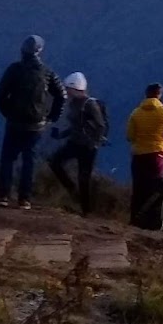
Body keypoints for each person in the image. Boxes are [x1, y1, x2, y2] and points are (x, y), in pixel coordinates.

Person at [0, 35, 65, 209]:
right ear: (39, 51)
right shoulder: (47, 72)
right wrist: (52, 117)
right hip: (36, 125)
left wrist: (7, 112)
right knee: (29, 160)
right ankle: (24, 199)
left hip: (14, 122)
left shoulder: (14, 69)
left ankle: (3, 196)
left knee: (8, 159)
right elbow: (62, 95)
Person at [48, 72, 108, 216]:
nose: (67, 92)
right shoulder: (74, 104)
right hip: (75, 142)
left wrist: (95, 143)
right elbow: (77, 125)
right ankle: (73, 191)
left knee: (84, 177)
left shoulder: (89, 104)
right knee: (54, 162)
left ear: (75, 88)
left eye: (68, 88)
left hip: (87, 146)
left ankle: (86, 210)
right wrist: (61, 135)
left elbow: (100, 125)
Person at [126, 83, 163, 230]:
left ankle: (135, 219)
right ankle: (152, 221)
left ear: (146, 94)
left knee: (138, 187)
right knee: (155, 188)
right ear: (160, 95)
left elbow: (129, 136)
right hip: (157, 155)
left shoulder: (136, 113)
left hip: (139, 154)